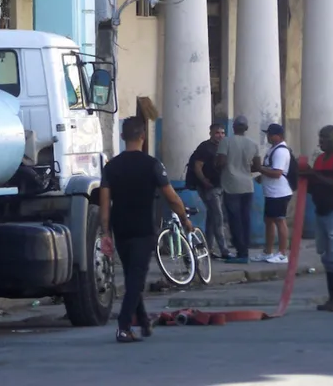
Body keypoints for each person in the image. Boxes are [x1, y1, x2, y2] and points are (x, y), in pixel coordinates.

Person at [100, 116, 193, 343]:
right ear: (143, 136)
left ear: (122, 137)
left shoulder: (111, 167)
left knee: (133, 275)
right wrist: (184, 218)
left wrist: (105, 232)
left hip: (121, 229)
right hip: (143, 230)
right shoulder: (152, 165)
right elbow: (171, 197)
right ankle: (124, 326)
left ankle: (143, 321)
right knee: (136, 280)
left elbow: (104, 203)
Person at [300, 125, 333, 312]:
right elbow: (314, 186)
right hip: (321, 211)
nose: (321, 141)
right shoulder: (319, 159)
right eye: (320, 137)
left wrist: (315, 175)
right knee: (326, 256)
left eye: (324, 138)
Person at [216, 115, 261, 264]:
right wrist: (245, 168)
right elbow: (257, 166)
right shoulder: (253, 144)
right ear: (246, 129)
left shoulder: (226, 142)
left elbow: (221, 162)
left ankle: (240, 253)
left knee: (234, 220)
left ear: (233, 127)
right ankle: (245, 251)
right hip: (247, 185)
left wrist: (219, 166)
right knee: (245, 219)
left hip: (231, 185)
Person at [189, 124, 231, 259]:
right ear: (211, 133)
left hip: (220, 186)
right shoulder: (205, 147)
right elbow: (197, 166)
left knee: (213, 217)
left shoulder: (224, 147)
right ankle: (224, 250)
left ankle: (208, 248)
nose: (220, 135)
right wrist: (204, 181)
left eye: (223, 133)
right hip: (210, 188)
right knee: (218, 217)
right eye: (217, 133)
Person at [255, 123, 292, 264]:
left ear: (279, 136)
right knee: (269, 221)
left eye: (270, 134)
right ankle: (268, 252)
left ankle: (282, 254)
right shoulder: (273, 149)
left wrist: (260, 169)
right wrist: (262, 176)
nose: (268, 137)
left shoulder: (281, 151)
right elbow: (271, 169)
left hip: (279, 193)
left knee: (279, 221)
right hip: (271, 192)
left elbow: (277, 173)